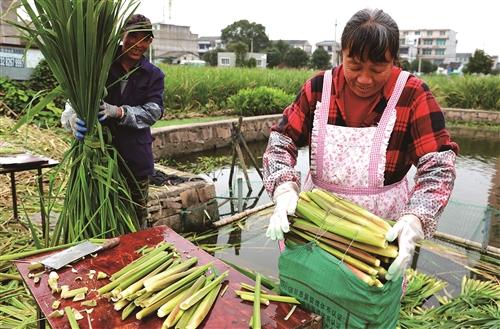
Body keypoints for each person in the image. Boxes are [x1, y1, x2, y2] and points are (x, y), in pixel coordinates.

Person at [263, 8, 458, 282]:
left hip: (380, 233)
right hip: (316, 222)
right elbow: (282, 141)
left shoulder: (412, 94)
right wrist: (284, 189)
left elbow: (438, 166)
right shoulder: (319, 88)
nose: (364, 79)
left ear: (394, 60)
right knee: (311, 293)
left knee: (368, 299)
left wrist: (416, 218)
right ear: (341, 54)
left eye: (378, 69)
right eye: (354, 65)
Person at [61, 14, 165, 228]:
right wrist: (71, 118)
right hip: (99, 158)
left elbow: (154, 112)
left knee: (136, 220)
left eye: (144, 39)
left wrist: (119, 112)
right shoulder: (100, 66)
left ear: (150, 42)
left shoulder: (153, 74)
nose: (138, 45)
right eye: (132, 37)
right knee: (99, 221)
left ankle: (135, 257)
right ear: (121, 35)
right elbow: (74, 99)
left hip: (136, 160)